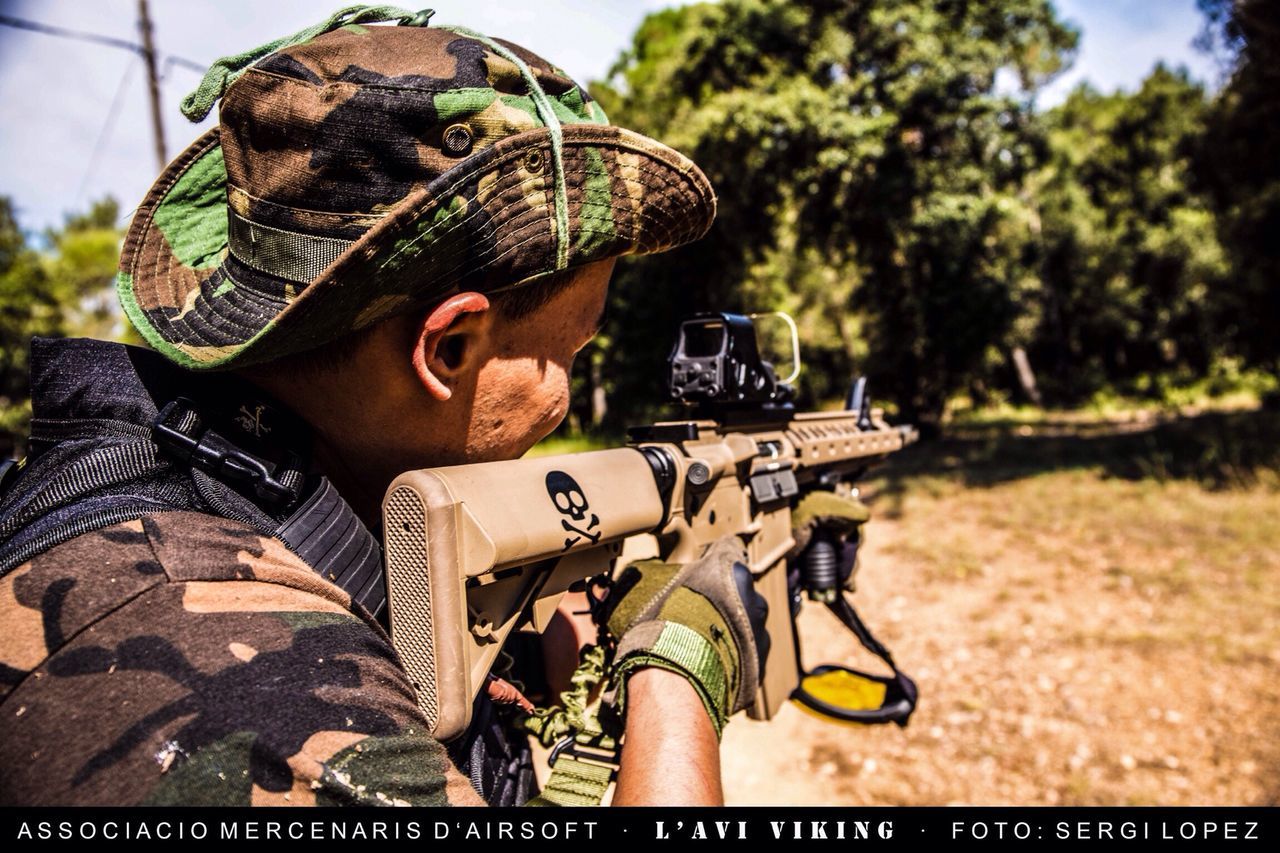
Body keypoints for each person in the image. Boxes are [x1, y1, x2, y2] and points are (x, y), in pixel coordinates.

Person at [0, 9, 769, 806]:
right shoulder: (249, 700)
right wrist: (677, 680)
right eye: (571, 352)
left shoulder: (241, 486)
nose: (564, 399)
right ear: (449, 348)